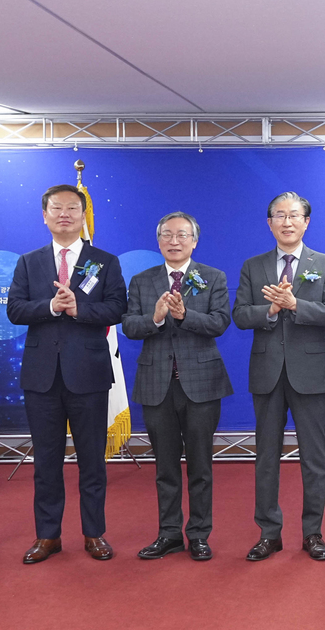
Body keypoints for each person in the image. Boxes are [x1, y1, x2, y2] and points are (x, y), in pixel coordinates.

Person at [6, 184, 126, 564]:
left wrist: (79, 310)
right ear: (44, 216)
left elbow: (117, 308)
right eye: (56, 208)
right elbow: (15, 311)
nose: (64, 214)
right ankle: (48, 536)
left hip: (88, 373)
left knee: (92, 460)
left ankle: (94, 533)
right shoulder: (29, 261)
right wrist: (52, 307)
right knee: (46, 462)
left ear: (82, 215)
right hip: (41, 377)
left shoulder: (104, 261)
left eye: (73, 208)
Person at [233, 192, 325, 561]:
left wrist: (295, 305)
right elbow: (238, 315)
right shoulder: (254, 265)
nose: (287, 221)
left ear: (306, 222)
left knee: (314, 458)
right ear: (269, 223)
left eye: (294, 215)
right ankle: (269, 533)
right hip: (267, 372)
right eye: (279, 215)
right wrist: (269, 309)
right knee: (266, 456)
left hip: (310, 373)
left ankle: (313, 533)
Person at [123, 212, 232, 561]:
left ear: (194, 241)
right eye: (167, 235)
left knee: (201, 465)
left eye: (182, 235)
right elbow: (128, 326)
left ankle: (199, 534)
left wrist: (185, 315)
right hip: (157, 384)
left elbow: (220, 323)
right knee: (165, 467)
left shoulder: (212, 277)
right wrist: (155, 318)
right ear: (158, 241)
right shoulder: (141, 281)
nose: (174, 241)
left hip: (201, 385)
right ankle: (168, 533)